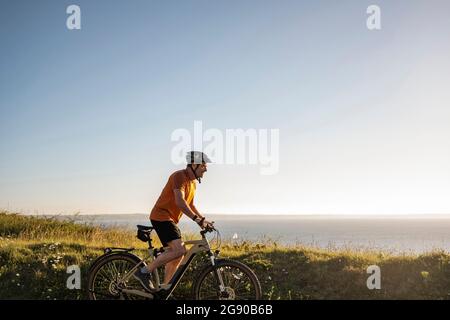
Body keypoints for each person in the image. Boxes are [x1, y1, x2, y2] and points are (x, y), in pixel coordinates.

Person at [134, 151, 214, 292]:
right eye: (203, 166)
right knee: (180, 249)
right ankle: (144, 272)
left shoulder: (192, 183)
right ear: (194, 165)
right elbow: (180, 201)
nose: (206, 169)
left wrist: (202, 219)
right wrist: (196, 220)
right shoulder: (179, 176)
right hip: (161, 216)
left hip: (169, 219)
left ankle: (164, 289)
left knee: (177, 255)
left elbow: (191, 205)